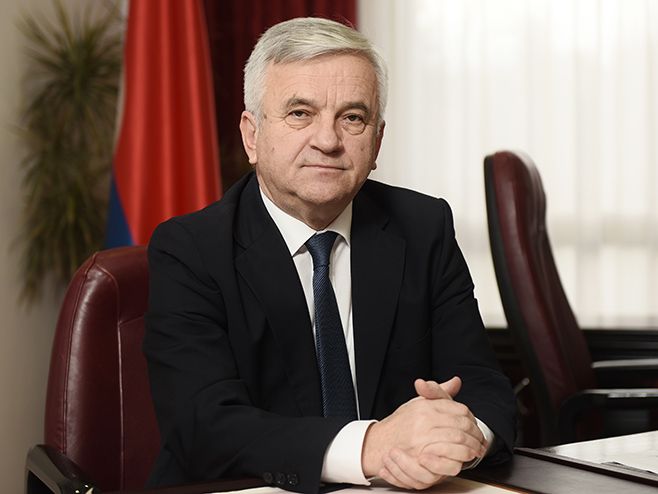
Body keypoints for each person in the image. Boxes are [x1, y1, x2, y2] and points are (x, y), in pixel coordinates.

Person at [144, 17, 516, 493]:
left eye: (352, 117)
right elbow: (204, 426)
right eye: (300, 113)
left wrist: (457, 439)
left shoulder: (424, 228)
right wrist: (370, 446)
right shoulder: (190, 249)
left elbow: (484, 385)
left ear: (377, 141)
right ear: (252, 136)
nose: (328, 140)